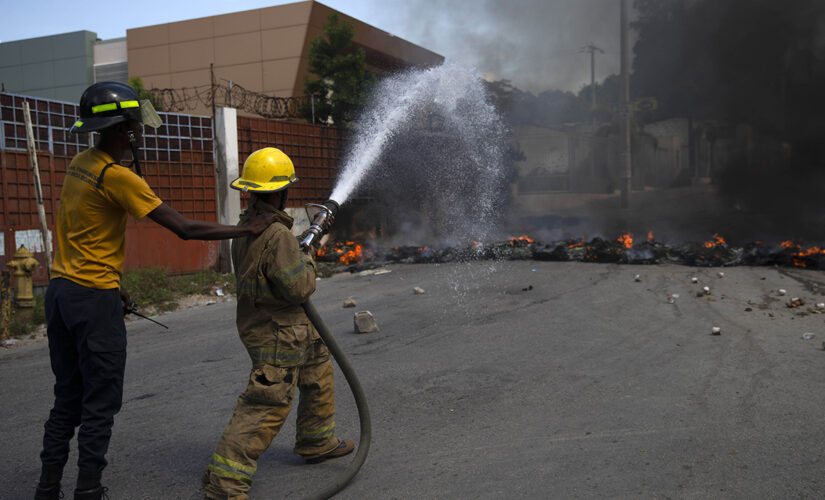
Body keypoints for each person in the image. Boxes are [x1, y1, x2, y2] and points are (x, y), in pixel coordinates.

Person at [34, 82, 276, 500]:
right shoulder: (118, 177)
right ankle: (88, 491)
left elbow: (81, 233)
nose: (137, 134)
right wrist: (245, 227)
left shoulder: (81, 163)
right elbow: (184, 229)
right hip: (92, 302)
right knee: (99, 404)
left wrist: (116, 284)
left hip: (61, 293)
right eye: (132, 127)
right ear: (120, 129)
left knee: (66, 399)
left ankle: (46, 488)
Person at [202, 147, 353, 500]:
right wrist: (309, 256)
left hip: (289, 326)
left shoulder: (248, 225)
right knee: (266, 404)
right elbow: (299, 285)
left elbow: (276, 267)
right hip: (279, 333)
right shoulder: (278, 235)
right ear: (283, 192)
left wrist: (301, 246)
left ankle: (317, 440)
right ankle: (225, 484)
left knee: (317, 370)